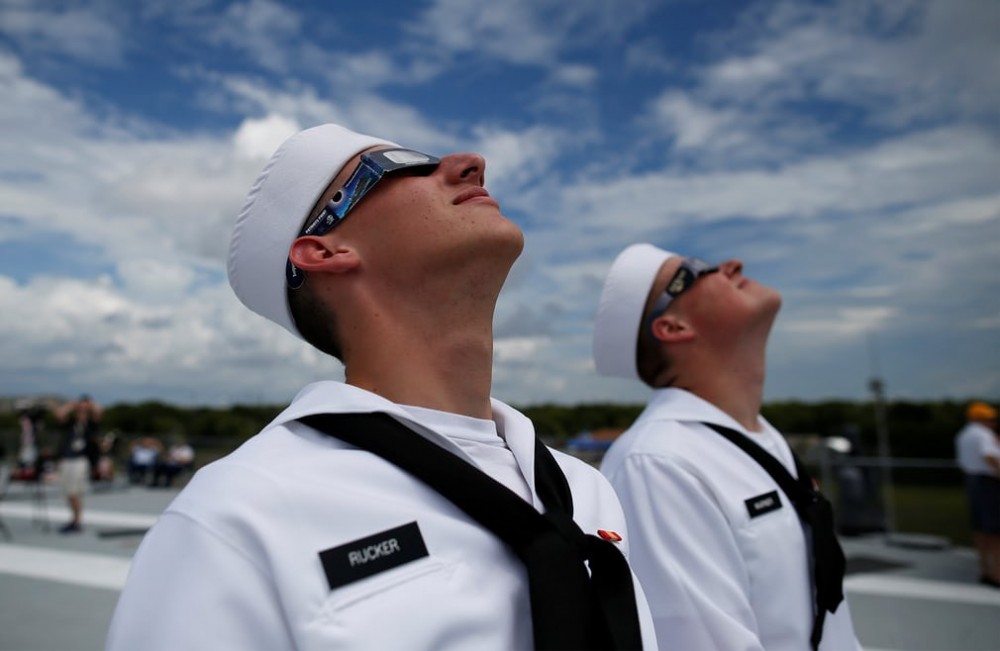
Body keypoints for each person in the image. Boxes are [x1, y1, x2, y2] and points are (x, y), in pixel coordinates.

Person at [107, 123, 655, 650]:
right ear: (323, 251)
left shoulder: (583, 489)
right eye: (404, 166)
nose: (470, 164)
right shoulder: (238, 517)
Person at [592, 243, 861, 651]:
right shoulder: (658, 465)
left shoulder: (757, 438)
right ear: (673, 328)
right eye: (697, 270)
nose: (731, 265)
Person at [955, 401, 1000, 588]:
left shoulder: (964, 434)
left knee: (981, 529)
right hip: (988, 482)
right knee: (995, 531)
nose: (993, 423)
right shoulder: (983, 434)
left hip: (972, 480)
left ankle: (986, 571)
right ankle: (997, 575)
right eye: (990, 419)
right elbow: (988, 456)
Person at [53, 394, 102, 533]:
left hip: (80, 460)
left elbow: (99, 411)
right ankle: (73, 519)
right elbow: (59, 415)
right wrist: (71, 405)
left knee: (75, 492)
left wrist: (88, 405)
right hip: (66, 459)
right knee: (68, 492)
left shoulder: (91, 425)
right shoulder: (71, 424)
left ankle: (77, 521)